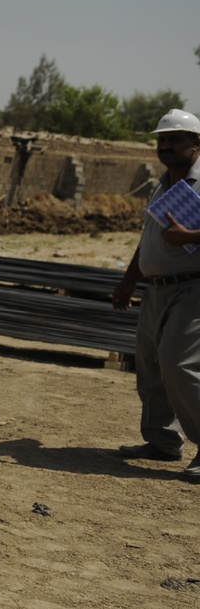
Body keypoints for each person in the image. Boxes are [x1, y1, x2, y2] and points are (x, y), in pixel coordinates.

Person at [113, 108, 200, 477]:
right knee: (148, 362)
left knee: (177, 363)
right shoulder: (162, 183)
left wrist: (190, 237)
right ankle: (163, 441)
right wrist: (131, 278)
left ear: (197, 144)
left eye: (175, 139)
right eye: (162, 139)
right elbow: (148, 236)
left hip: (192, 286)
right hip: (157, 287)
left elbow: (182, 237)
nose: (166, 145)